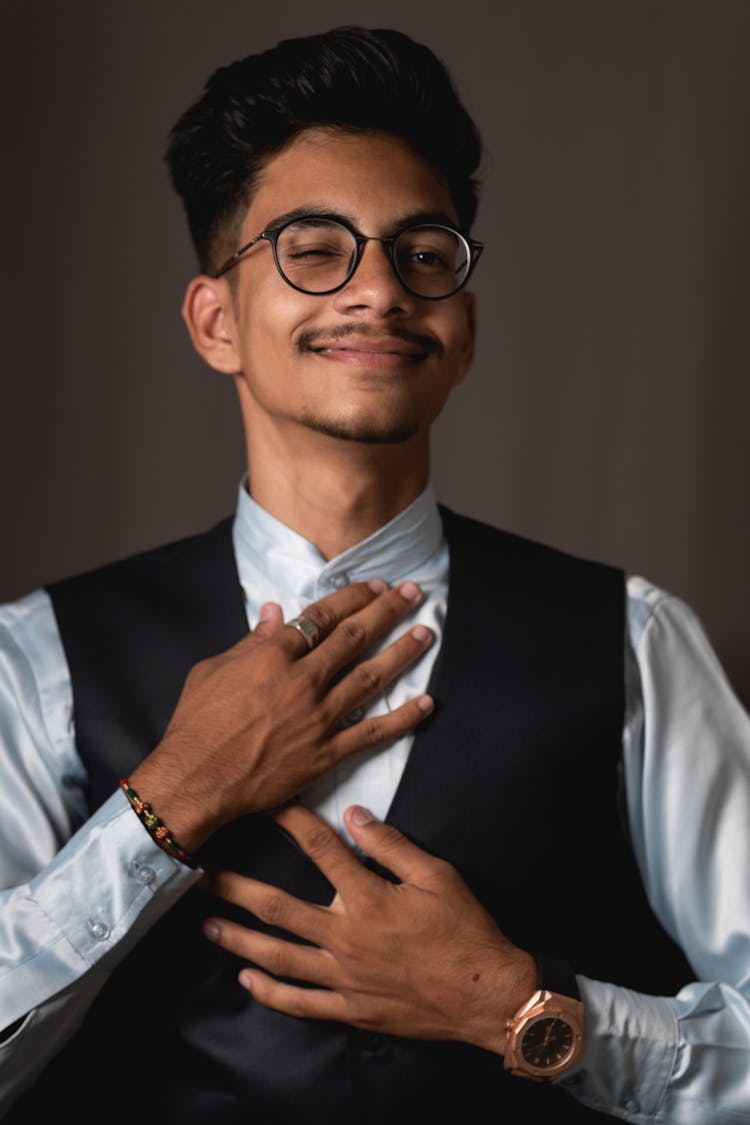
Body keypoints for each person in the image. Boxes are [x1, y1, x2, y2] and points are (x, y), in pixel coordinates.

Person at [1, 24, 749, 1124]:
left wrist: (523, 1013)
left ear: (466, 324)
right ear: (217, 322)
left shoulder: (632, 641)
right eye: (314, 248)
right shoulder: (41, 657)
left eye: (423, 252)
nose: (380, 292)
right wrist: (169, 803)